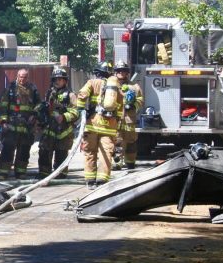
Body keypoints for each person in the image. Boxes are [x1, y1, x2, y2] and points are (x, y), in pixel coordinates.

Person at [76, 61, 123, 189]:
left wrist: (81, 111)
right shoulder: (116, 87)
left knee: (90, 152)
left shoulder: (92, 82)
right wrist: (116, 121)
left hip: (92, 125)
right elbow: (120, 108)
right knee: (106, 154)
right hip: (109, 127)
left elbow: (81, 95)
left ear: (97, 72)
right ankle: (102, 181)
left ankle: (90, 181)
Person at [0, 68, 41, 180]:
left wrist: (34, 115)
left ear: (28, 77)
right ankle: (3, 173)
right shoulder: (10, 88)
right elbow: (3, 105)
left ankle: (21, 173)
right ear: (17, 76)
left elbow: (39, 104)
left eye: (25, 77)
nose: (23, 79)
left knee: (24, 151)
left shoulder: (33, 88)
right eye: (21, 77)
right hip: (11, 126)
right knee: (7, 150)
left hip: (26, 127)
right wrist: (3, 121)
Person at [37, 67, 79, 179]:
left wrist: (64, 117)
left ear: (65, 81)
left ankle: (60, 175)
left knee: (61, 153)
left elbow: (76, 113)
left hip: (64, 131)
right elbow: (45, 107)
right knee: (44, 150)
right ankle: (44, 174)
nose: (57, 81)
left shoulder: (71, 95)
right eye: (55, 79)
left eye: (60, 79)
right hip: (49, 128)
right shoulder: (49, 93)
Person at [114, 60, 143, 169]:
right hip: (116, 119)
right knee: (117, 141)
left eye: (124, 71)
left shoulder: (134, 86)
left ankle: (130, 162)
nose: (121, 73)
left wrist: (133, 105)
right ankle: (117, 163)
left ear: (127, 73)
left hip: (129, 120)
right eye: (119, 71)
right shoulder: (112, 86)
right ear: (116, 72)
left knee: (131, 141)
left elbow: (141, 100)